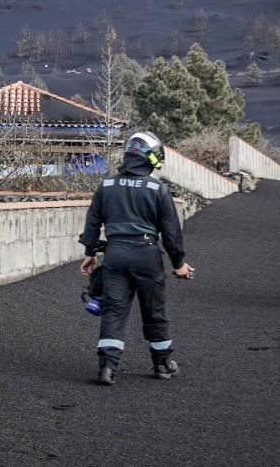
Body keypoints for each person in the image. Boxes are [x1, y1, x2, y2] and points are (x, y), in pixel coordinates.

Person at [78, 131, 195, 385]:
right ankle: (162, 364)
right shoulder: (158, 189)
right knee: (154, 310)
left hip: (115, 254)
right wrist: (179, 264)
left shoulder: (107, 185)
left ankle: (107, 368)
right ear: (151, 157)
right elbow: (171, 232)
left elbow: (93, 222)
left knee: (114, 311)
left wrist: (90, 253)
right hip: (146, 255)